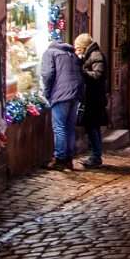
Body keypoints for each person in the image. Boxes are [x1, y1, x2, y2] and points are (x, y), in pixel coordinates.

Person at [40, 38, 85, 171]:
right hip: (75, 94)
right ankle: (69, 159)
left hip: (61, 94)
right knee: (69, 127)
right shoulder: (72, 54)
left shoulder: (50, 53)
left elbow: (47, 74)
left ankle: (59, 159)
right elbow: (80, 74)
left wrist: (47, 93)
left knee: (59, 127)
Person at [74, 33, 108, 168]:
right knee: (93, 126)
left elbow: (98, 75)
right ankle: (96, 154)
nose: (77, 52)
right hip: (92, 97)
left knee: (91, 126)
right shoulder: (92, 55)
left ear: (82, 48)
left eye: (78, 49)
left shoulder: (96, 55)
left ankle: (96, 155)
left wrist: (83, 72)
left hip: (94, 98)